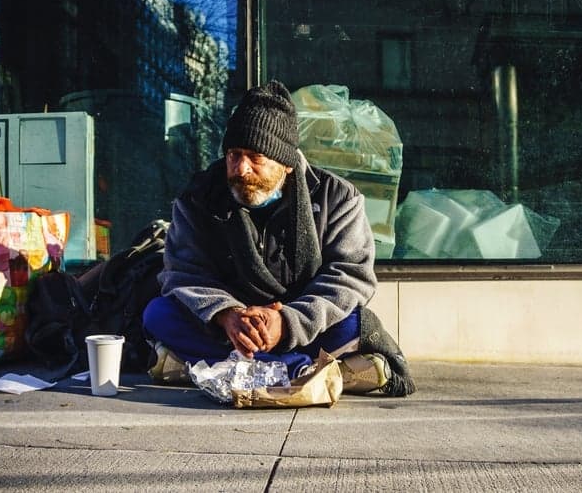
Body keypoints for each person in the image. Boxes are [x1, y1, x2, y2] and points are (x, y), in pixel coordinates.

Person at [142, 80, 416, 397]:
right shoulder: (199, 196)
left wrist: (285, 322)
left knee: (354, 323)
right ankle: (299, 370)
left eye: (255, 156)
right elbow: (183, 271)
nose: (240, 168)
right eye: (233, 154)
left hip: (302, 326)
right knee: (158, 314)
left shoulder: (337, 197)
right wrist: (227, 315)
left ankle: (215, 367)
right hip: (229, 331)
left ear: (286, 163)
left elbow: (350, 276)